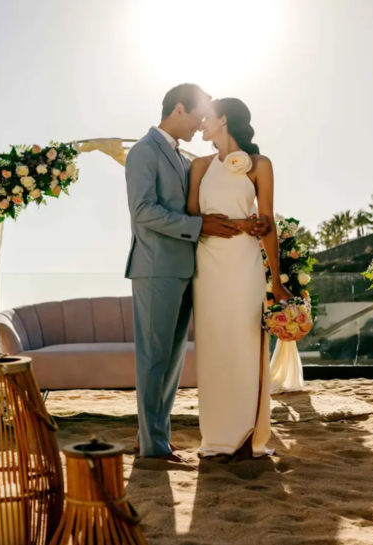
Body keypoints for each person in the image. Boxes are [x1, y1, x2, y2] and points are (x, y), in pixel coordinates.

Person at [125, 85, 269, 461]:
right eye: (196, 116)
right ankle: (152, 445)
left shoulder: (182, 158)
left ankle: (155, 438)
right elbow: (143, 211)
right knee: (154, 358)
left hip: (188, 269)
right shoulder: (143, 152)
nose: (199, 123)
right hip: (156, 269)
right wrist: (198, 226)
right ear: (177, 109)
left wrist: (238, 224)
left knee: (171, 362)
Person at [188, 97, 290, 458]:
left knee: (247, 344)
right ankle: (216, 438)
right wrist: (240, 224)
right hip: (209, 266)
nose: (201, 124)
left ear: (224, 120)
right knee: (215, 348)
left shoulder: (260, 165)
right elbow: (193, 219)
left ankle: (250, 436)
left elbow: (268, 224)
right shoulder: (199, 166)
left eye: (207, 118)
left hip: (245, 266)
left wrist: (276, 280)